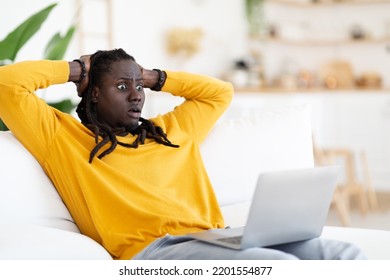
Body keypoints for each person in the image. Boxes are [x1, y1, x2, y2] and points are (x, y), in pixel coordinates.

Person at [0, 48, 365, 260]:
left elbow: (219, 93)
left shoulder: (171, 130)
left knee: (343, 255)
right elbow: (7, 85)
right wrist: (79, 69)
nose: (136, 95)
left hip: (216, 238)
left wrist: (154, 75)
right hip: (156, 252)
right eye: (122, 86)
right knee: (271, 265)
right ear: (93, 94)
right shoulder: (64, 139)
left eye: (140, 86)